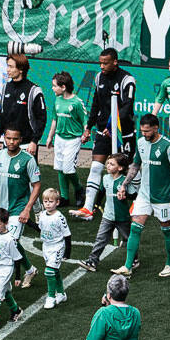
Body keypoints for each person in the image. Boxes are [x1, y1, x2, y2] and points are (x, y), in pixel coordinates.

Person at [110, 114, 170, 278]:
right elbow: (136, 165)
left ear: (156, 128)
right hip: (144, 195)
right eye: (142, 131)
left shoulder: (168, 146)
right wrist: (124, 184)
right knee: (135, 228)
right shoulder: (141, 142)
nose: (144, 134)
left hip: (163, 197)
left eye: (147, 131)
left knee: (167, 231)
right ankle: (128, 266)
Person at [72, 48, 137, 221]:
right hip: (103, 131)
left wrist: (113, 125)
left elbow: (127, 107)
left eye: (105, 63)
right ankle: (88, 208)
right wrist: (88, 127)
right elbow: (95, 104)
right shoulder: (99, 77)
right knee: (96, 167)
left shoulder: (127, 80)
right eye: (100, 63)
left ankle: (136, 202)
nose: (101, 66)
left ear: (115, 61)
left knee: (130, 168)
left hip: (124, 131)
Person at [0, 126, 41, 289]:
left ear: (21, 140)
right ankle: (30, 269)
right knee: (6, 242)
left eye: (15, 139)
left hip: (19, 209)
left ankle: (6, 283)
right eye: (8, 138)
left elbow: (36, 185)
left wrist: (27, 209)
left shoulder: (28, 160)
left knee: (11, 241)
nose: (11, 142)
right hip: (3, 210)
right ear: (4, 137)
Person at [79, 154, 132, 272]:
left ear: (120, 168)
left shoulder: (124, 181)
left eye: (112, 164)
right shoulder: (105, 178)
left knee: (129, 238)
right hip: (107, 216)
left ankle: (134, 259)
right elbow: (102, 191)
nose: (108, 165)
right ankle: (92, 261)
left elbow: (134, 195)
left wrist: (125, 196)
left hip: (122, 217)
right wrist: (96, 205)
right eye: (108, 163)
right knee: (101, 238)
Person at [47, 71, 89, 207]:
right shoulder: (57, 100)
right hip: (59, 139)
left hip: (73, 140)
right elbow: (54, 119)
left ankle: (79, 189)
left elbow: (85, 120)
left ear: (63, 87)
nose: (52, 88)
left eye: (54, 86)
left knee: (68, 169)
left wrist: (85, 134)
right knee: (60, 168)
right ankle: (64, 197)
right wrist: (50, 137)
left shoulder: (77, 103)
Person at [0, 54, 47, 158]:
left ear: (21, 69)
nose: (7, 69)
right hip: (8, 144)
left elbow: (41, 119)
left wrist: (34, 141)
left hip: (27, 145)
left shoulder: (34, 90)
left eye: (11, 66)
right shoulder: (5, 87)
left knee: (28, 174)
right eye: (7, 66)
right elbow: (1, 115)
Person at [39, 188, 73, 308]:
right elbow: (41, 229)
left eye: (51, 201)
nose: (48, 204)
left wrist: (67, 252)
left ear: (57, 202)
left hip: (57, 247)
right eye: (45, 201)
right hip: (46, 246)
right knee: (54, 271)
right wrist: (28, 223)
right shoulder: (42, 215)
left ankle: (51, 297)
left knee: (49, 272)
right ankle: (62, 294)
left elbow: (67, 235)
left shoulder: (60, 217)